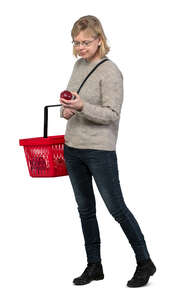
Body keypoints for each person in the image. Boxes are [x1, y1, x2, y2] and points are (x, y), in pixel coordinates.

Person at [59, 15, 156, 288]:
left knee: (116, 208)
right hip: (72, 148)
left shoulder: (111, 71)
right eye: (76, 42)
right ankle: (94, 265)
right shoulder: (78, 66)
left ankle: (145, 261)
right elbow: (74, 102)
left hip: (99, 151)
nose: (80, 48)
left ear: (99, 39)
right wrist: (67, 110)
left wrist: (81, 108)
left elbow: (112, 114)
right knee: (85, 210)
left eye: (85, 42)